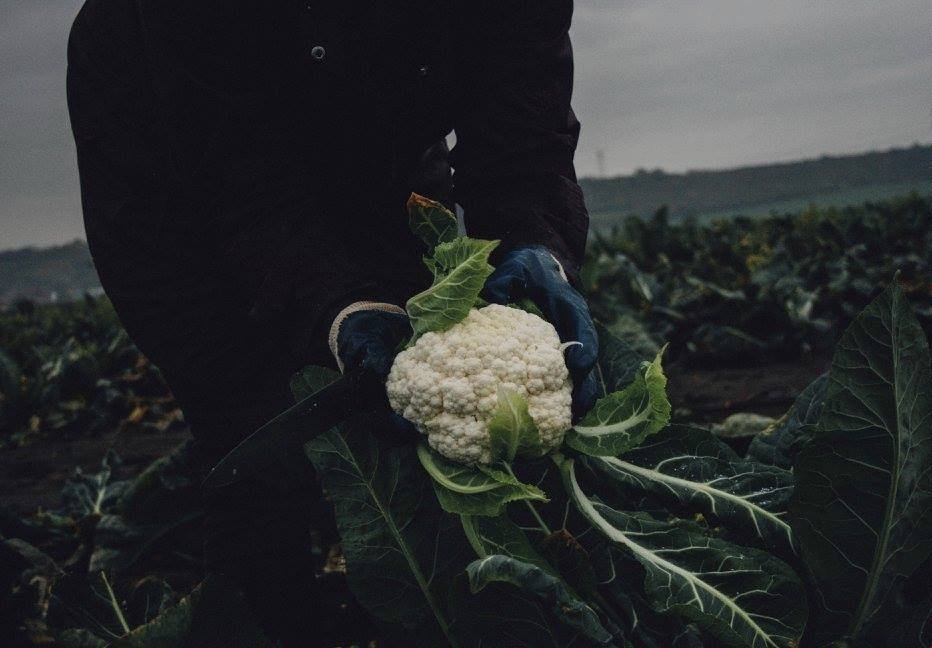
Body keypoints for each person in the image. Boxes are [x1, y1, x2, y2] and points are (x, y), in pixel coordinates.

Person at [67, 1, 597, 644]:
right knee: (251, 429)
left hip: (380, 135)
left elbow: (524, 128)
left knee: (413, 420)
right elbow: (246, 188)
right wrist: (340, 309)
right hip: (171, 156)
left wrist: (534, 239)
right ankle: (267, 612)